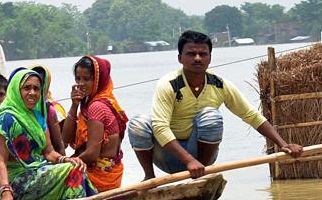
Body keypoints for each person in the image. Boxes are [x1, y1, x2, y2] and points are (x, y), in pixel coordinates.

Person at [128, 30, 303, 180]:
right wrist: (188, 161)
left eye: (203, 54)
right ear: (180, 58)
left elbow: (251, 116)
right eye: (191, 54)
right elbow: (160, 128)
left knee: (211, 116)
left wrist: (283, 144)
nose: (197, 58)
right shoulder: (169, 84)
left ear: (210, 58)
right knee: (138, 123)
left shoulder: (220, 85)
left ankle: (202, 172)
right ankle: (149, 176)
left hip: (200, 156)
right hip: (167, 156)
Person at [0, 69, 96, 200]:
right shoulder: (6, 119)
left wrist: (66, 159)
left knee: (75, 166)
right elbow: (0, 161)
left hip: (37, 172)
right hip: (16, 181)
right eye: (27, 88)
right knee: (72, 171)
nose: (32, 93)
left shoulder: (37, 117)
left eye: (36, 89)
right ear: (16, 90)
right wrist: (6, 193)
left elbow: (49, 152)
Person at [62, 56, 129, 191]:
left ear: (98, 80)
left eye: (86, 79)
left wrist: (67, 163)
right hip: (103, 172)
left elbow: (91, 154)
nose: (81, 84)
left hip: (100, 175)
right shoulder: (89, 104)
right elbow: (65, 139)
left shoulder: (96, 107)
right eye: (78, 79)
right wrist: (74, 105)